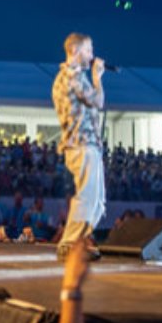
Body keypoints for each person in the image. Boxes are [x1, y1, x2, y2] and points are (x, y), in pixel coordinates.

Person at [51, 33, 106, 257]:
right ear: (74, 50)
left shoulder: (69, 76)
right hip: (81, 144)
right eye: (88, 50)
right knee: (87, 197)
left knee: (97, 201)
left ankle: (77, 243)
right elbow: (98, 101)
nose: (92, 56)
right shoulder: (72, 75)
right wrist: (97, 77)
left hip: (86, 144)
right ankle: (69, 244)